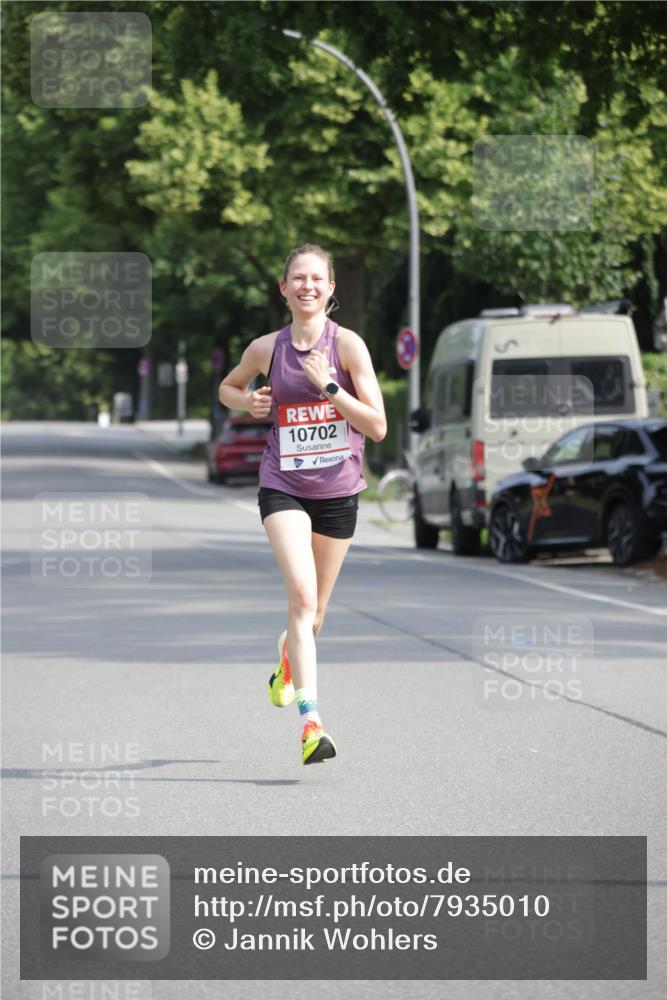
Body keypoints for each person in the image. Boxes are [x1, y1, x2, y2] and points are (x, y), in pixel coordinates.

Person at [219, 244, 387, 764]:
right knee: (301, 596)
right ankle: (312, 724)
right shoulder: (266, 348)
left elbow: (377, 427)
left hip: (338, 493)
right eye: (298, 278)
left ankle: (286, 666)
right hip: (283, 485)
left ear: (330, 288)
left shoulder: (350, 347)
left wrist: (330, 386)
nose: (307, 286)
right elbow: (228, 386)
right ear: (284, 288)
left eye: (317, 278)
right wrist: (247, 401)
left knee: (312, 620)